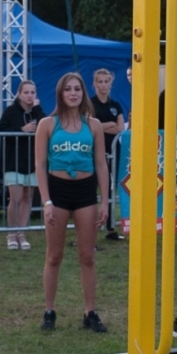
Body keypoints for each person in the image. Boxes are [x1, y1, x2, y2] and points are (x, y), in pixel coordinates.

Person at [35, 73, 113, 332]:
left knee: (87, 255)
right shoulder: (47, 124)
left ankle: (90, 312)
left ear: (83, 93)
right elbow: (40, 164)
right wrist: (46, 202)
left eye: (77, 89)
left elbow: (101, 164)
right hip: (57, 191)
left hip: (85, 192)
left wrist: (105, 201)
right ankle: (49, 311)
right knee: (54, 255)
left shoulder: (94, 126)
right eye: (67, 89)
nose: (73, 93)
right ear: (60, 93)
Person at [0, 80, 43, 251]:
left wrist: (37, 109)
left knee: (27, 197)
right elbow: (1, 130)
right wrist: (21, 130)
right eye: (26, 92)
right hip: (13, 161)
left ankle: (22, 232)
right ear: (19, 94)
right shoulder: (10, 111)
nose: (30, 96)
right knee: (15, 198)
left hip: (31, 161)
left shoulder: (36, 112)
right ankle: (12, 233)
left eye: (33, 92)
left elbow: (45, 124)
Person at [88, 68, 126, 241]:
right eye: (100, 82)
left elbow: (120, 128)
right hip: (93, 150)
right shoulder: (89, 104)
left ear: (111, 83)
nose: (103, 85)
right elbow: (88, 126)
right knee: (91, 187)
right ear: (94, 84)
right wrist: (108, 124)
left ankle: (110, 226)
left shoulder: (115, 105)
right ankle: (90, 225)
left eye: (106, 81)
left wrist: (103, 125)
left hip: (112, 150)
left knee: (110, 187)